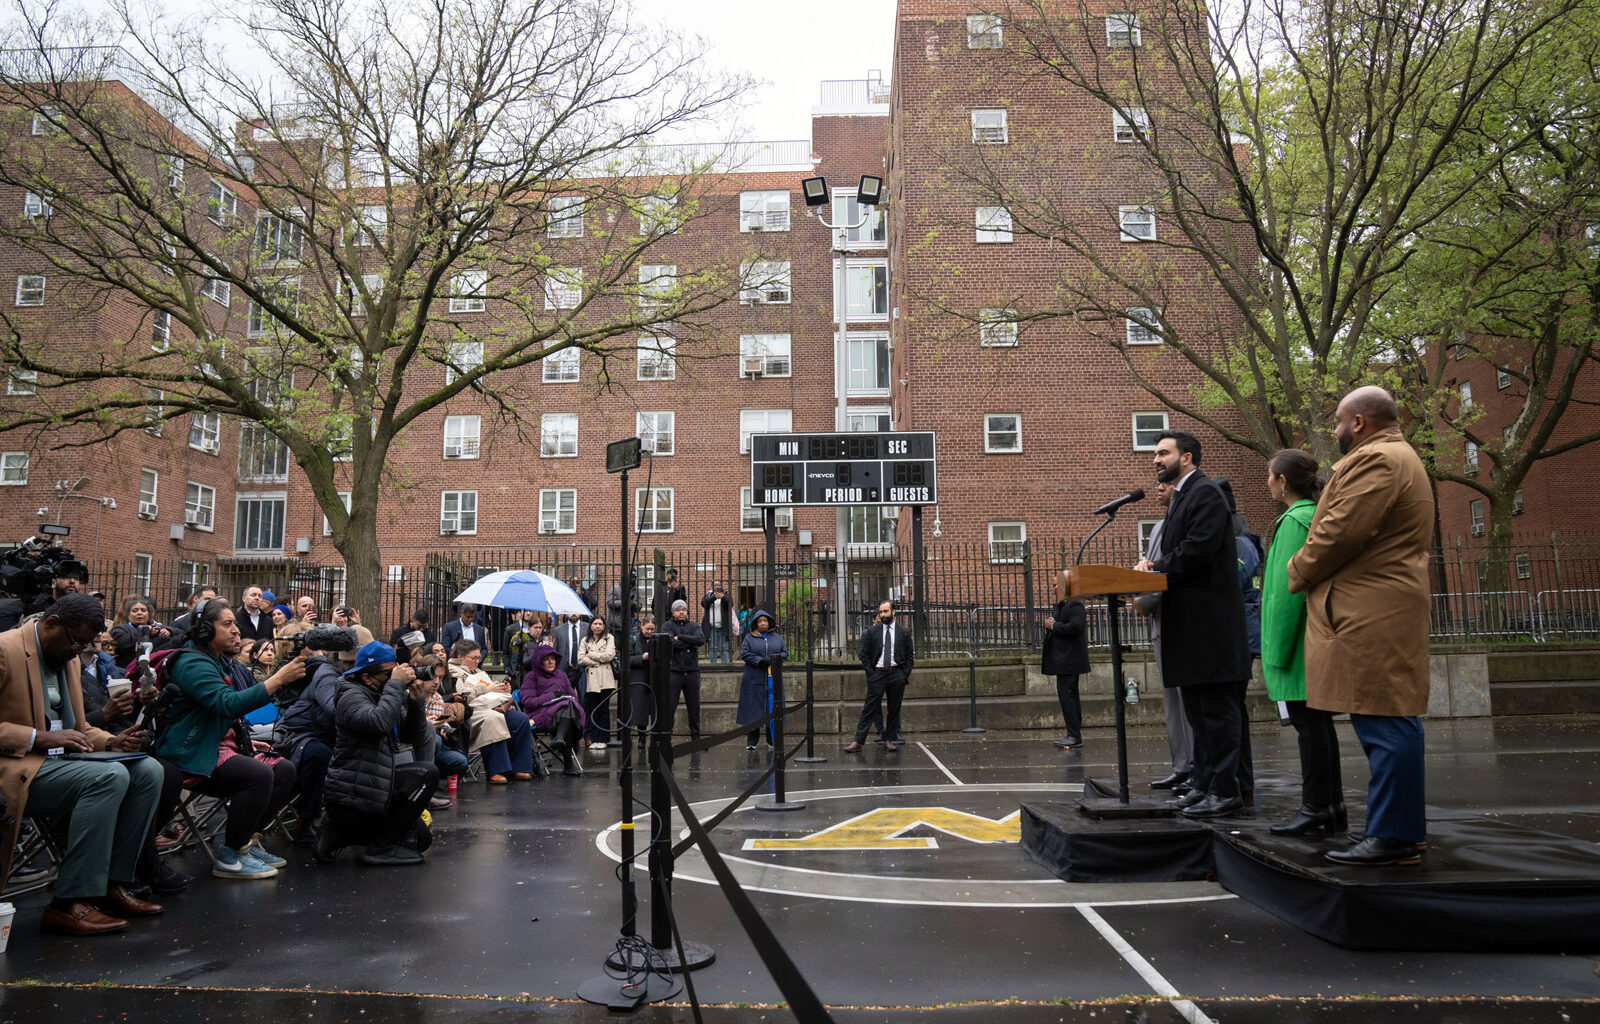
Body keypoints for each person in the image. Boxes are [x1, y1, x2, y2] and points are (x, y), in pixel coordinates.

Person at [1288, 386, 1434, 866]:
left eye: (1337, 421)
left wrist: (1297, 569)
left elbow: (1336, 533)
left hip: (1373, 611)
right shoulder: (1395, 456)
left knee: (1386, 720)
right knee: (1389, 718)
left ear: (1358, 424)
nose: (1333, 431)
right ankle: (1398, 831)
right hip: (1375, 605)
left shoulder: (1379, 461)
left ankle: (1393, 836)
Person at [0, 594, 165, 935]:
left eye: (88, 644)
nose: (80, 652)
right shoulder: (6, 651)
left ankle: (112, 885)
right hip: (17, 766)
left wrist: (112, 741)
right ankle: (70, 901)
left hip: (61, 761)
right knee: (108, 776)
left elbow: (79, 728)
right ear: (51, 624)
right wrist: (38, 737)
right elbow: (48, 735)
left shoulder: (67, 657)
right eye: (77, 642)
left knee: (149, 770)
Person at [1133, 429, 1252, 819]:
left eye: (1163, 453)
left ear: (1187, 457)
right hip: (1191, 628)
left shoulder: (1205, 493)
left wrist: (1155, 566)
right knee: (1199, 714)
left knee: (1217, 714)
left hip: (1211, 628)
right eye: (1155, 453)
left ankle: (1225, 790)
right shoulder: (1183, 496)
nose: (1155, 460)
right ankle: (1203, 784)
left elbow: (1197, 550)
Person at [151, 598, 306, 878]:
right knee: (258, 775)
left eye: (235, 623)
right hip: (191, 752)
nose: (236, 630)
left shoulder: (218, 660)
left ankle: (247, 841)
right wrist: (278, 680)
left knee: (284, 769)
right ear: (205, 630)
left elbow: (224, 716)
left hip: (218, 744)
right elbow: (227, 704)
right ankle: (229, 856)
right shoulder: (191, 663)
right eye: (228, 624)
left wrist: (241, 738)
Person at [1261, 449, 1344, 837]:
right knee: (1318, 727)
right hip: (1313, 635)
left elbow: (1283, 591)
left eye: (1269, 476)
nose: (1267, 482)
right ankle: (1331, 805)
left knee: (1309, 728)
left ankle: (1317, 807)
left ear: (1283, 482)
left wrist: (1274, 649)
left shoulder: (1295, 520)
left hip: (1298, 643)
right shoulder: (1312, 514)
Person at [316, 641, 439, 866]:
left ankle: (340, 835)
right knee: (426, 773)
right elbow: (378, 724)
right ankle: (378, 847)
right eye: (388, 673)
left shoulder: (382, 693)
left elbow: (412, 738)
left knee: (422, 840)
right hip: (353, 795)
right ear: (367, 677)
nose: (394, 677)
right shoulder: (350, 696)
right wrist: (394, 685)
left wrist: (415, 702)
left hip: (377, 786)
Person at [1133, 482, 1193, 791]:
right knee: (1172, 701)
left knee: (1186, 700)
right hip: (1162, 624)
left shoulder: (1182, 522)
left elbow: (1167, 572)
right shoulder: (1159, 526)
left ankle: (1193, 766)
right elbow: (1151, 568)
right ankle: (1182, 765)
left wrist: (1144, 601)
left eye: (1167, 484)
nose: (1159, 487)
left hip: (1178, 621)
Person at [277, 629, 360, 838]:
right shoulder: (328, 674)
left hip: (323, 734)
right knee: (319, 754)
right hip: (297, 735)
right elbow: (334, 709)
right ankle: (307, 821)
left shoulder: (353, 674)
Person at [446, 640, 534, 782]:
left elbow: (490, 689)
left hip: (489, 706)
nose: (477, 661)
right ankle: (496, 770)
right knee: (493, 718)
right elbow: (461, 696)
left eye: (478, 657)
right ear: (461, 656)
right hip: (471, 711)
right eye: (473, 658)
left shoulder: (478, 671)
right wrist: (486, 689)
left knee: (520, 719)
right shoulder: (452, 671)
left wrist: (502, 691)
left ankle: (519, 767)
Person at [845, 600, 914, 753]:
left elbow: (910, 656)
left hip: (896, 674)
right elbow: (864, 654)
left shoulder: (904, 632)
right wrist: (871, 672)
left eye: (885, 612)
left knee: (894, 709)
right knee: (869, 708)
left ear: (893, 612)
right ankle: (858, 741)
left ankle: (888, 740)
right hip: (878, 674)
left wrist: (904, 675)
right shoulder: (873, 632)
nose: (882, 615)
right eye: (881, 612)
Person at [519, 644, 585, 776]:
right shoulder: (532, 677)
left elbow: (574, 696)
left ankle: (559, 738)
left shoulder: (561, 674)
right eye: (546, 659)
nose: (550, 662)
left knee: (570, 705)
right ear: (539, 661)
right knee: (568, 710)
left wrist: (564, 699)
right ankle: (568, 764)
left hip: (562, 713)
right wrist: (553, 696)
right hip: (539, 714)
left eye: (553, 658)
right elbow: (528, 702)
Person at [1041, 592, 1088, 750]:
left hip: (1070, 659)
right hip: (1065, 659)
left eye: (1057, 583)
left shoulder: (1075, 605)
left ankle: (1074, 736)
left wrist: (1054, 626)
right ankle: (1073, 734)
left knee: (1067, 695)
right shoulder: (1063, 605)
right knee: (1069, 695)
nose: (1054, 587)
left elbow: (1076, 626)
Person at [737, 610, 787, 750]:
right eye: (760, 621)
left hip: (773, 678)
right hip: (754, 678)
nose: (763, 623)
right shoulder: (749, 638)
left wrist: (774, 659)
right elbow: (745, 653)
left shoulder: (777, 638)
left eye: (765, 621)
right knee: (754, 710)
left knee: (772, 707)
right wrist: (760, 661)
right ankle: (752, 741)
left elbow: (784, 652)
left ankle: (772, 740)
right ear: (755, 623)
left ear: (769, 622)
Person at [663, 599, 705, 740]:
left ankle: (696, 737)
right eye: (678, 609)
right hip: (674, 671)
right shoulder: (667, 626)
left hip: (692, 671)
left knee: (694, 707)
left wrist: (680, 637)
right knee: (670, 706)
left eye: (684, 609)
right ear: (673, 612)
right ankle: (667, 737)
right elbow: (669, 643)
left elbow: (700, 639)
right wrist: (689, 642)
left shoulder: (693, 625)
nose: (681, 612)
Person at [576, 617, 616, 748]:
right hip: (591, 679)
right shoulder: (585, 640)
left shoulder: (609, 638)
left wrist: (591, 655)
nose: (598, 626)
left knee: (603, 709)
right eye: (595, 624)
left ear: (604, 626)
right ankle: (592, 738)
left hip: (606, 678)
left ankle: (603, 739)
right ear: (591, 626)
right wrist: (598, 660)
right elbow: (581, 659)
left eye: (600, 624)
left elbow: (609, 655)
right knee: (592, 708)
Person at [110, 597, 174, 665]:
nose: (139, 613)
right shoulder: (120, 629)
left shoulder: (156, 627)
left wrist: (169, 632)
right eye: (134, 611)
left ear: (149, 614)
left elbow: (180, 635)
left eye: (143, 610)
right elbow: (121, 643)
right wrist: (145, 631)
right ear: (128, 615)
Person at [701, 583, 735, 665]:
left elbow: (731, 603)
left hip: (724, 627)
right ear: (712, 586)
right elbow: (703, 604)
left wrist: (723, 597)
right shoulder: (709, 595)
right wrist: (714, 597)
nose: (717, 586)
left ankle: (725, 665)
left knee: (724, 647)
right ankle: (713, 665)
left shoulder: (726, 595)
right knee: (713, 647)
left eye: (719, 584)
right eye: (715, 585)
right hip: (712, 626)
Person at [553, 614, 587, 692]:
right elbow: (555, 651)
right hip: (566, 670)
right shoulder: (558, 630)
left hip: (582, 670)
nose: (574, 614)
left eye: (576, 611)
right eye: (571, 611)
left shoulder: (587, 628)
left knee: (583, 700)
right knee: (565, 698)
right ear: (566, 614)